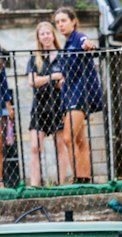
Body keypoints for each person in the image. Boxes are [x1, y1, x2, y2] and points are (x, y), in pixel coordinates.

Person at [54, 6, 102, 184]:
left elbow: (88, 45)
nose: (60, 25)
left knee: (68, 137)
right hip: (70, 94)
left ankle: (79, 179)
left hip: (81, 94)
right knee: (79, 139)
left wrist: (89, 46)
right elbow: (71, 71)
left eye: (63, 20)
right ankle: (85, 177)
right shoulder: (66, 44)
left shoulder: (78, 37)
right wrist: (64, 80)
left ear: (73, 21)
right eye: (57, 22)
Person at [27, 21, 69, 186]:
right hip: (39, 106)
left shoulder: (62, 55)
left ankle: (60, 183)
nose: (45, 36)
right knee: (35, 147)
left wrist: (53, 79)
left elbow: (65, 80)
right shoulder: (35, 58)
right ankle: (35, 185)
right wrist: (53, 77)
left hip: (58, 105)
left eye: (48, 33)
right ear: (38, 37)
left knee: (60, 145)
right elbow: (32, 81)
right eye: (42, 34)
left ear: (53, 35)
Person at [0, 49, 14, 188]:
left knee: (0, 145)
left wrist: (8, 106)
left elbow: (4, 86)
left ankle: (0, 181)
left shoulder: (1, 66)